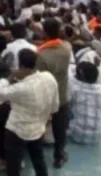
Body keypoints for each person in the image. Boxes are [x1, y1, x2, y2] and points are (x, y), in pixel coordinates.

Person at [0, 49, 59, 176]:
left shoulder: (22, 88)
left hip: (16, 131)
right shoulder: (49, 77)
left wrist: (9, 77)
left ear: (22, 66)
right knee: (38, 160)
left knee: (13, 165)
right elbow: (55, 107)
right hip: (38, 129)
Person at [35, 18, 72, 168]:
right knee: (59, 127)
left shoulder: (41, 55)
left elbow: (38, 76)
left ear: (44, 32)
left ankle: (36, 154)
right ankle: (59, 156)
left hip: (45, 96)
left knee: (38, 124)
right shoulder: (67, 48)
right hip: (61, 95)